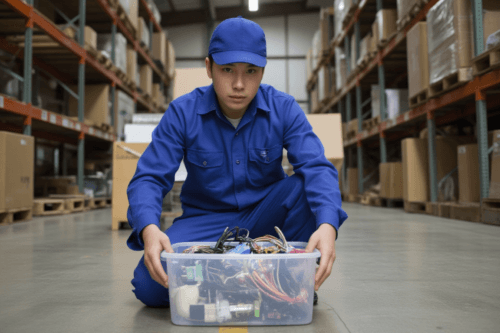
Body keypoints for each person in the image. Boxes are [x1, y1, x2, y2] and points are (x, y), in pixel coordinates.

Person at [126, 16, 348, 307]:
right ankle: (257, 282)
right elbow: (149, 178)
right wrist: (149, 229)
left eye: (251, 71)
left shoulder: (283, 109)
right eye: (227, 69)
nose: (239, 84)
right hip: (205, 222)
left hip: (266, 217)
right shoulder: (183, 113)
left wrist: (328, 226)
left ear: (262, 72)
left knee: (303, 187)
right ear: (209, 68)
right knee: (151, 286)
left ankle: (282, 276)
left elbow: (317, 167)